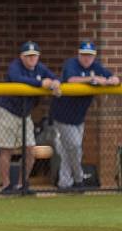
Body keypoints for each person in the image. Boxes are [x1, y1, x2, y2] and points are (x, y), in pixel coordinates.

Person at [0, 41, 61, 194]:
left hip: (24, 114)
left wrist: (55, 82)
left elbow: (53, 77)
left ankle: (22, 184)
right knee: (7, 150)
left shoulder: (40, 68)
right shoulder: (15, 66)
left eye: (34, 56)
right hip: (7, 111)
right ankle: (6, 185)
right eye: (28, 56)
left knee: (30, 150)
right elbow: (18, 79)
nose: (32, 59)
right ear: (22, 57)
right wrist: (40, 83)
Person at [49, 42, 119, 190]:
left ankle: (64, 183)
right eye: (84, 55)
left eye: (90, 55)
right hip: (62, 114)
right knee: (74, 147)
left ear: (94, 56)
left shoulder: (96, 66)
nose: (87, 58)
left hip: (79, 117)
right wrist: (92, 79)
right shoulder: (72, 63)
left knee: (69, 150)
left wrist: (111, 80)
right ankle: (79, 179)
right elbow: (71, 79)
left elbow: (113, 78)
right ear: (79, 55)